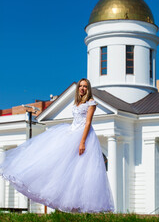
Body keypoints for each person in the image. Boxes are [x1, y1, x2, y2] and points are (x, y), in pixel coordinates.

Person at [0, 78, 114, 213]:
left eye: (85, 86)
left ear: (88, 89)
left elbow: (88, 123)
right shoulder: (76, 103)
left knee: (82, 170)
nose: (82, 88)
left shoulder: (91, 103)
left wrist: (82, 141)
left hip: (84, 136)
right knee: (62, 167)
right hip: (72, 132)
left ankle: (80, 205)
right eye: (80, 86)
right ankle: (67, 202)